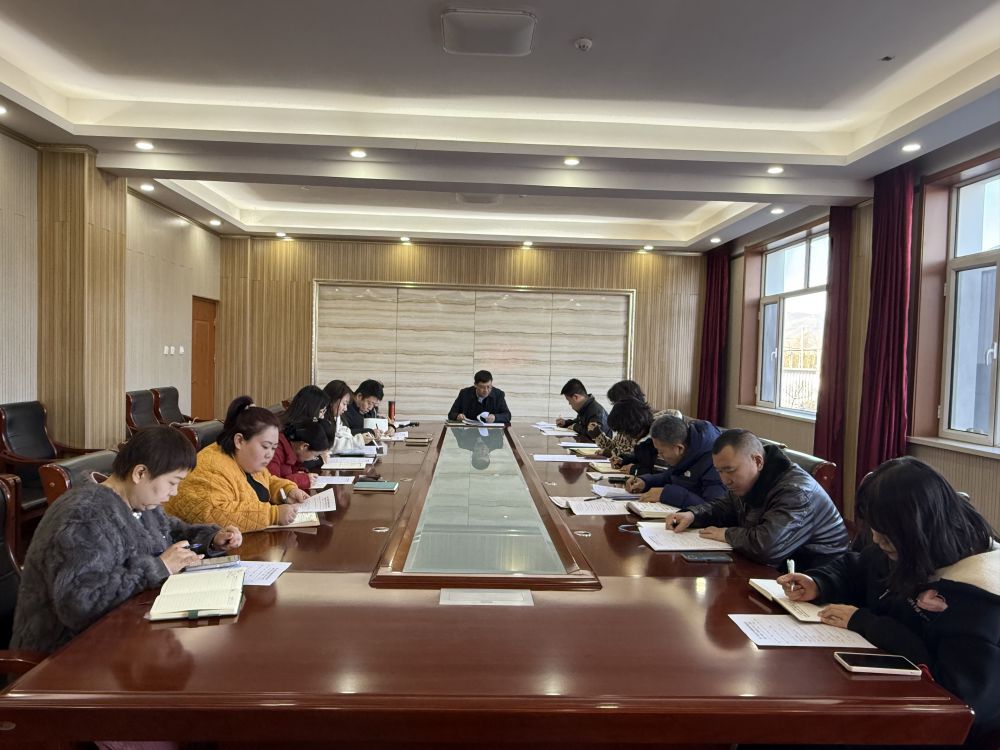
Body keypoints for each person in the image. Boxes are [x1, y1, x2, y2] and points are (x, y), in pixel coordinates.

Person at [778, 457, 1000, 748]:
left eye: (885, 535)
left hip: (936, 726)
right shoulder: (909, 546)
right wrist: (819, 583)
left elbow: (960, 697)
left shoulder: (978, 596)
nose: (876, 540)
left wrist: (868, 624)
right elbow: (857, 567)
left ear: (917, 529)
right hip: (881, 690)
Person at [11, 425, 243, 653]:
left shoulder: (138, 502)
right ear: (140, 473)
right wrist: (158, 567)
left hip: (120, 632)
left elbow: (172, 531)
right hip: (63, 654)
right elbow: (80, 602)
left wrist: (212, 539)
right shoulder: (84, 515)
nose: (174, 492)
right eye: (173, 482)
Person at [665, 429, 848, 570]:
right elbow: (724, 507)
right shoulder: (750, 479)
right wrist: (693, 515)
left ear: (758, 461)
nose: (725, 480)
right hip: (777, 573)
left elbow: (767, 546)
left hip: (817, 581)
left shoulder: (796, 492)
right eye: (719, 471)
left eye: (730, 470)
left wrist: (726, 534)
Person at [166, 396, 309, 531]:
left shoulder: (246, 459)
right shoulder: (210, 468)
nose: (269, 454)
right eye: (265, 446)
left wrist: (287, 491)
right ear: (239, 441)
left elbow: (266, 480)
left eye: (273, 448)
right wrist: (273, 515)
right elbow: (212, 514)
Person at [625, 414, 726, 507]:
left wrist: (666, 494)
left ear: (679, 448)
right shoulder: (686, 449)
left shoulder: (715, 459)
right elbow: (670, 476)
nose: (659, 455)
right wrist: (645, 481)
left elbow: (713, 507)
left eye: (661, 452)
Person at [267, 420, 330, 490]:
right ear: (304, 446)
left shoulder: (290, 449)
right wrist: (302, 480)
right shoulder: (274, 451)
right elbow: (272, 485)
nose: (313, 459)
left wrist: (299, 472)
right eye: (315, 456)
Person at [323, 379, 379, 450]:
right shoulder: (321, 419)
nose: (345, 409)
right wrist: (358, 440)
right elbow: (329, 444)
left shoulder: (336, 417)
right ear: (333, 400)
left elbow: (343, 431)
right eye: (344, 404)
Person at [448, 370, 512, 424]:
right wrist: (457, 416)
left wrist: (495, 417)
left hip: (491, 432)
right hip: (469, 430)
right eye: (482, 387)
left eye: (489, 386)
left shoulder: (499, 394)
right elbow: (451, 414)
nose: (486, 390)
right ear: (475, 385)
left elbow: (507, 416)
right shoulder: (464, 393)